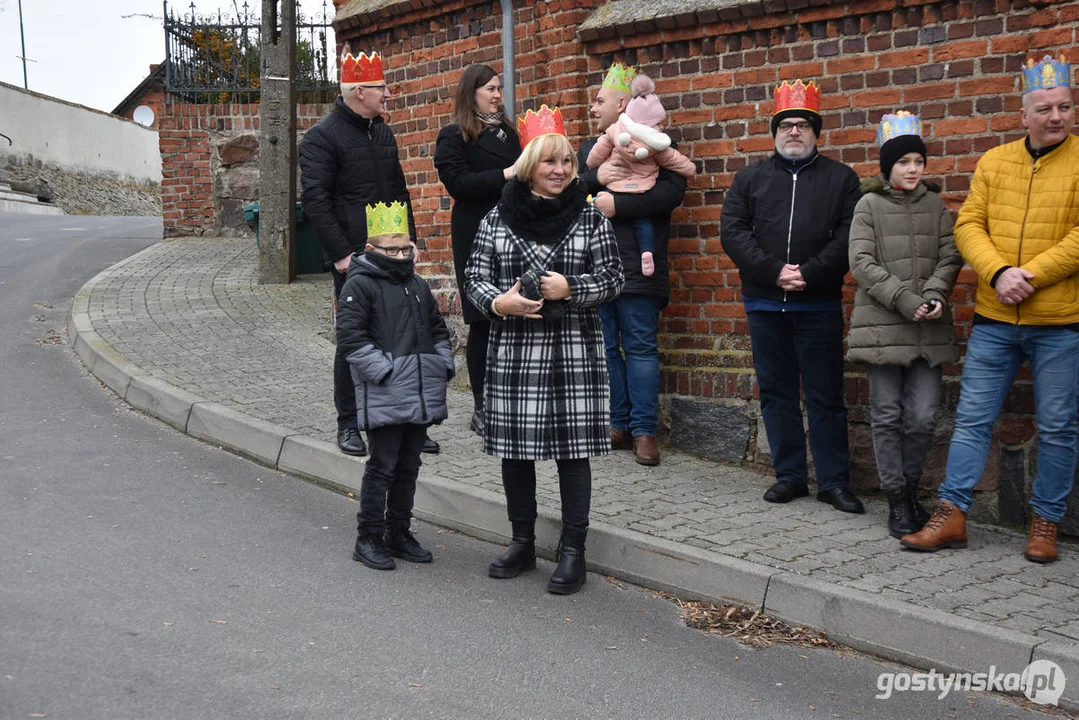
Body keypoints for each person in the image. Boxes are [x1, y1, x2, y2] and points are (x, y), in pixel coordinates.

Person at [901, 54, 1079, 563]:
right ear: (1023, 114)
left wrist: (1033, 275)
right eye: (1044, 108)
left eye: (1065, 107)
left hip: (1061, 322)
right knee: (973, 420)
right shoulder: (995, 161)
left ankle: (1045, 523)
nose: (1055, 117)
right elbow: (969, 226)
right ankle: (952, 514)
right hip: (995, 318)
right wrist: (1000, 273)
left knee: (1060, 425)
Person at [464, 105, 624, 595]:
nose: (560, 171)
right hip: (515, 350)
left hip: (574, 351)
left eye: (567, 164)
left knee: (573, 454)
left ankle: (573, 550)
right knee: (517, 452)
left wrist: (571, 288)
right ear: (532, 164)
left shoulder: (590, 218)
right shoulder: (497, 217)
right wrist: (500, 302)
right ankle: (522, 541)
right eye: (550, 162)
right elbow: (473, 277)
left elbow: (616, 279)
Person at [719, 79, 864, 514]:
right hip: (765, 303)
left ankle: (834, 482)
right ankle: (790, 476)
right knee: (777, 392)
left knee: (825, 395)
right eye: (786, 125)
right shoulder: (750, 179)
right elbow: (733, 231)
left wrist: (810, 273)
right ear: (775, 133)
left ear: (816, 132)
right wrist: (773, 271)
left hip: (817, 303)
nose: (794, 132)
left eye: (802, 125)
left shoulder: (842, 179)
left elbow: (849, 236)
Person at [300, 48, 439, 457]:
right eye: (381, 87)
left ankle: (409, 421)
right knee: (354, 342)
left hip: (394, 255)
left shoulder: (383, 131)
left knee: (404, 338)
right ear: (358, 91)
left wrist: (409, 238)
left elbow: (398, 190)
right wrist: (341, 255)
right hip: (355, 260)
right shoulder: (321, 138)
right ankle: (349, 424)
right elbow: (316, 201)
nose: (388, 93)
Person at [847, 111, 962, 538]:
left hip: (927, 331)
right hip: (882, 329)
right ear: (887, 166)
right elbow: (861, 262)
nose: (913, 169)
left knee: (922, 416)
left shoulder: (935, 206)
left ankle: (912, 491)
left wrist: (934, 294)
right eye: (904, 162)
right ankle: (897, 501)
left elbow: (951, 256)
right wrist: (906, 299)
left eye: (918, 161)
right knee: (887, 414)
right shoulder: (868, 206)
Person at [578, 62, 688, 466]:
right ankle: (618, 424)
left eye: (599, 100)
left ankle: (644, 431)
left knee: (640, 347)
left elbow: (670, 194)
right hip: (597, 266)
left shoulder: (658, 144)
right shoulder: (589, 151)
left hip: (639, 267)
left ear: (622, 103)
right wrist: (594, 180)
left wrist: (617, 202)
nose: (592, 108)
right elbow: (568, 193)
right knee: (607, 348)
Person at [336, 202, 455, 570]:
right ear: (372, 250)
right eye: (394, 250)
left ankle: (398, 531)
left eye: (406, 248)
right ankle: (368, 536)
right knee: (382, 466)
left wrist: (442, 363)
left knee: (409, 466)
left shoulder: (417, 285)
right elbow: (351, 339)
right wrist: (386, 373)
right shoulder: (360, 285)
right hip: (387, 393)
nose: (402, 255)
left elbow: (436, 328)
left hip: (419, 393)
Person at [433, 64, 521, 437]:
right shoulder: (454, 136)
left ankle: (512, 399)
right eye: (490, 89)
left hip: (515, 230)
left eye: (499, 88)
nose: (498, 95)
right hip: (476, 233)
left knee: (514, 313)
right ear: (472, 94)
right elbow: (459, 184)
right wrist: (506, 174)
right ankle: (483, 406)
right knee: (483, 320)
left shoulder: (510, 134)